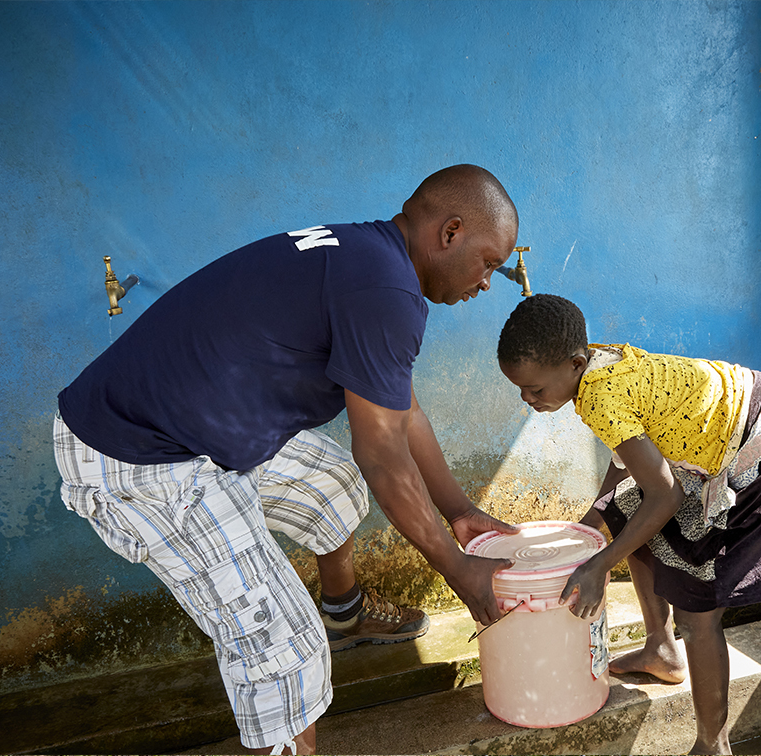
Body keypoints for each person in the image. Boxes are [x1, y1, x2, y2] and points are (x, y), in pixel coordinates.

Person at [54, 164, 521, 755]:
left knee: (331, 486)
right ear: (450, 232)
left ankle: (344, 616)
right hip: (139, 455)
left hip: (189, 427)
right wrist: (459, 572)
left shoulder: (374, 258)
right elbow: (381, 451)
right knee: (286, 650)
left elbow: (403, 410)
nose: (489, 281)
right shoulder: (385, 288)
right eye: (489, 261)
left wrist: (459, 509)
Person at [496, 294, 761, 755]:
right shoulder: (599, 365)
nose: (528, 400)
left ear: (574, 364)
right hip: (737, 434)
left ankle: (713, 744)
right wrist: (588, 531)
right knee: (626, 512)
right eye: (520, 390)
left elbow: (666, 494)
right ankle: (659, 650)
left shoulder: (598, 396)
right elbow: (627, 460)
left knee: (697, 606)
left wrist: (600, 562)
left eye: (536, 390)